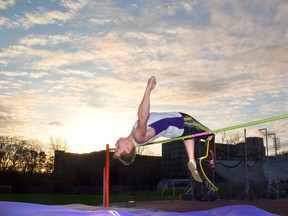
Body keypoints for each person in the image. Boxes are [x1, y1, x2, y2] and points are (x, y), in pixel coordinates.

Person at [113, 76, 212, 183]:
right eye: (118, 149)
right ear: (127, 150)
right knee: (209, 133)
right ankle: (207, 145)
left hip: (178, 128)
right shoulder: (137, 137)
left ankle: (192, 160)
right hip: (180, 121)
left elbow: (142, 117)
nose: (115, 145)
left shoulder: (136, 137)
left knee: (188, 135)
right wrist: (148, 90)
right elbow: (142, 117)